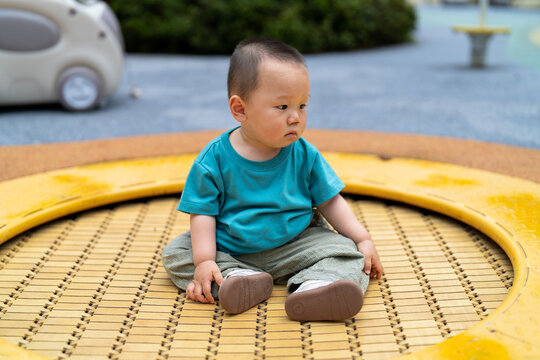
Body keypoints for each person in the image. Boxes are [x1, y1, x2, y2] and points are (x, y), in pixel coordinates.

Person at [162, 38, 383, 321]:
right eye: (282, 107)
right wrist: (205, 260)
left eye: (302, 106)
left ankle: (316, 287)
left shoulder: (304, 153)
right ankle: (237, 279)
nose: (296, 118)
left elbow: (331, 201)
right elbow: (202, 214)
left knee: (347, 253)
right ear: (240, 109)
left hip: (297, 244)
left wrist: (362, 239)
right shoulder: (214, 159)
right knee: (177, 253)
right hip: (232, 248)